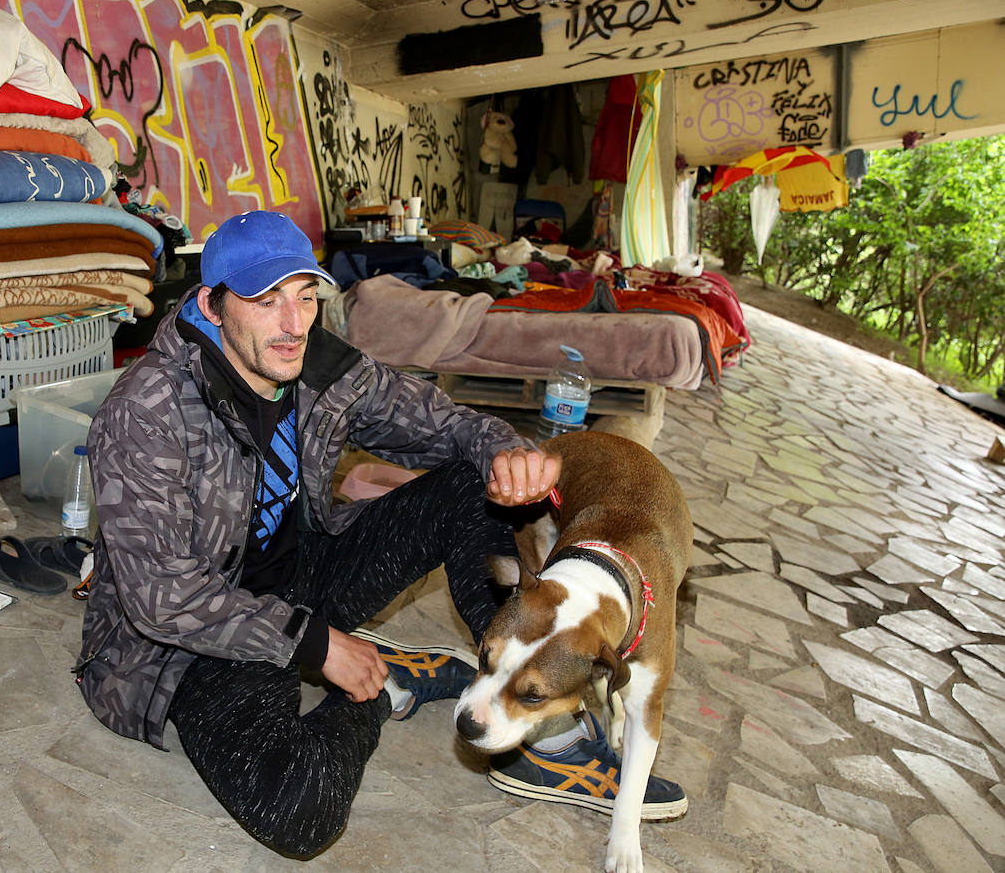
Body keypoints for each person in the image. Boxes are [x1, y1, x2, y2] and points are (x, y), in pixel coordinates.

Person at [74, 210, 685, 857]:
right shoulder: (146, 414)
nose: (293, 323)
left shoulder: (317, 362)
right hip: (191, 642)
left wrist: (506, 450)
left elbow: (435, 419)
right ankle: (381, 690)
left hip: (304, 573)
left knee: (473, 482)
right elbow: (161, 599)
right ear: (212, 304)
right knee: (299, 814)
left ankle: (513, 687)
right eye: (266, 300)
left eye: (306, 297)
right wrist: (318, 647)